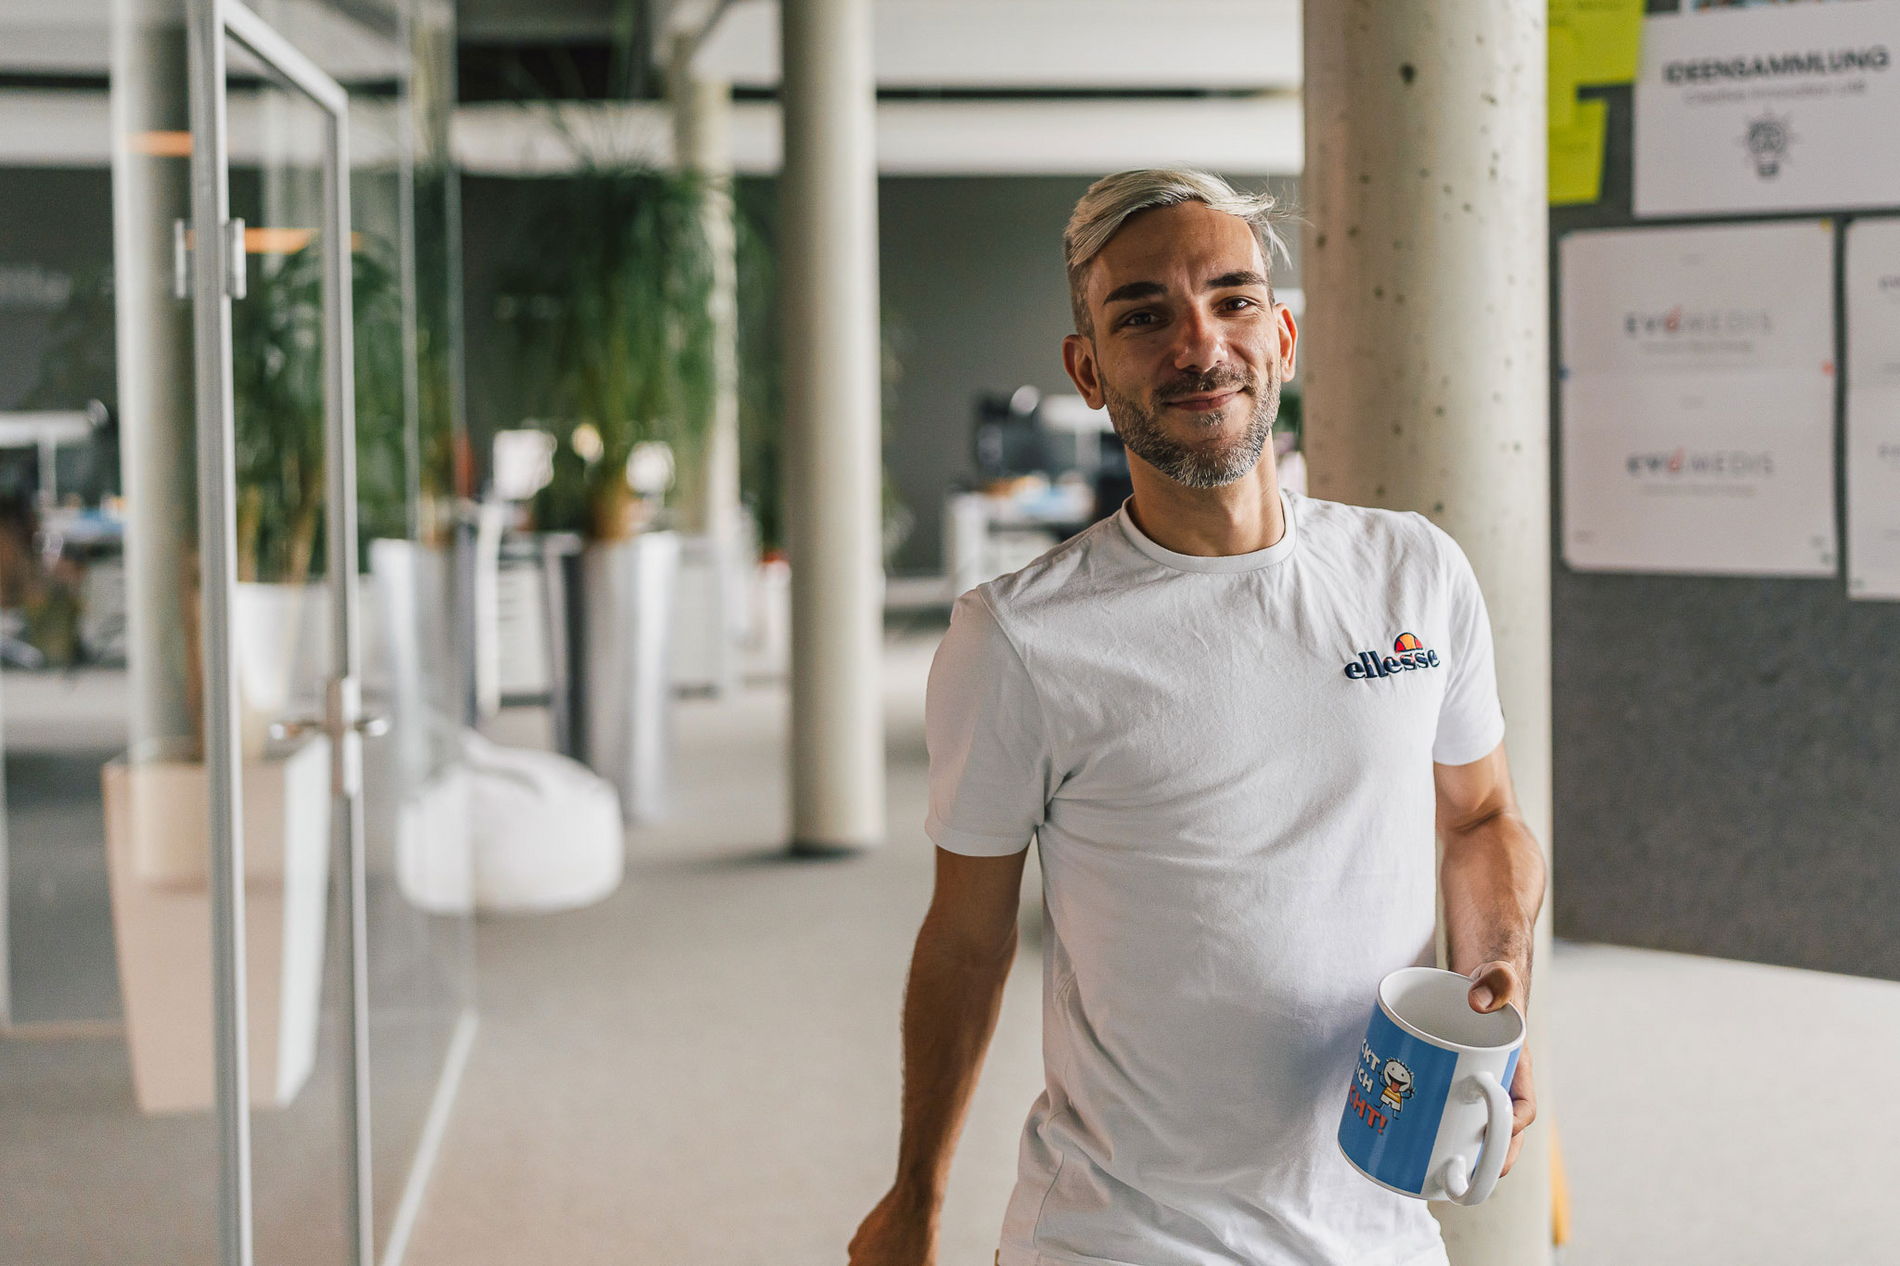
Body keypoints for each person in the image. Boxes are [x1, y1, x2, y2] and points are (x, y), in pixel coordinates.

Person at [848, 169, 1546, 1266]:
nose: (1199, 343)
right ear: (1087, 370)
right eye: (1142, 316)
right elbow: (967, 940)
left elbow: (1480, 814)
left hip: (1377, 1218)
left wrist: (1498, 975)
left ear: (1282, 335)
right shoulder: (1020, 639)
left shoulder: (1412, 571)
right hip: (1125, 1232)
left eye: (1231, 300)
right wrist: (916, 1196)